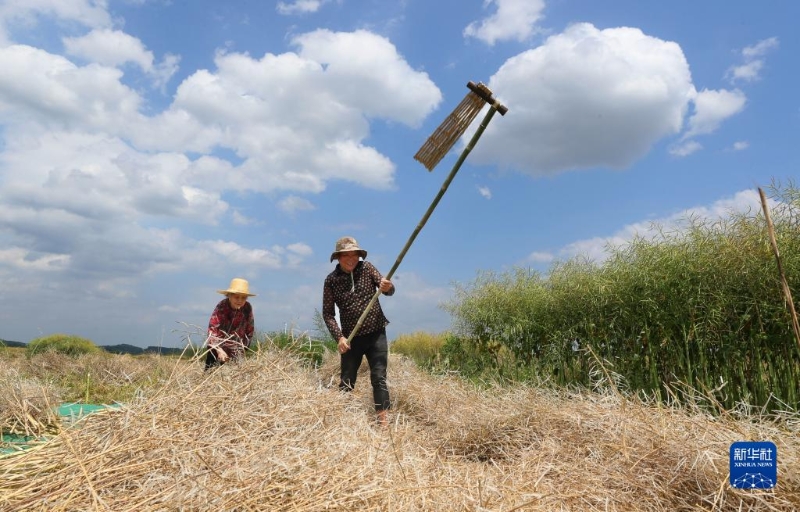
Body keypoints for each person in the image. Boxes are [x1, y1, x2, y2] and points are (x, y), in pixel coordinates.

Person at [323, 236, 395, 426]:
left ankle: (384, 425)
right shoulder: (331, 280)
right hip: (351, 339)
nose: (351, 259)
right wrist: (339, 338)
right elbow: (328, 314)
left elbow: (387, 289)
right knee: (347, 381)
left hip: (376, 333)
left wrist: (388, 287)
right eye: (346, 255)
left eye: (354, 254)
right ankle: (342, 423)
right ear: (338, 257)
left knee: (379, 378)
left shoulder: (367, 268)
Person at [204, 277, 256, 370]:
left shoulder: (247, 308)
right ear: (229, 296)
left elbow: (250, 330)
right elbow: (212, 329)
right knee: (211, 373)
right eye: (236, 297)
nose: (240, 300)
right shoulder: (221, 306)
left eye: (243, 298)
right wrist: (218, 350)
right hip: (217, 348)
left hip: (237, 349)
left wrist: (244, 348)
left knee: (237, 375)